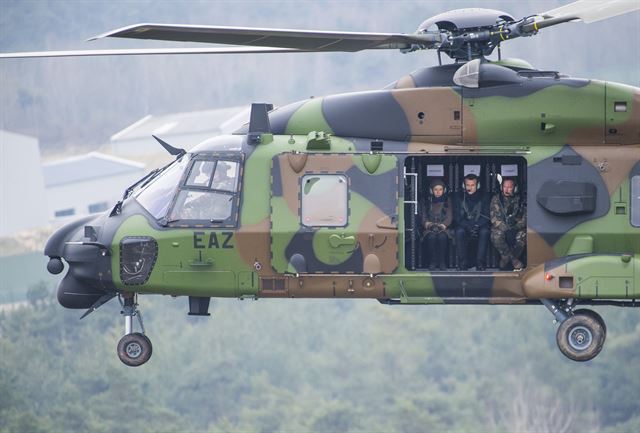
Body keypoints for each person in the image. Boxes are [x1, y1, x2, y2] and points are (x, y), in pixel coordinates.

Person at [454, 173, 490, 270]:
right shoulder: (459, 197)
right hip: (465, 225)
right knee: (459, 232)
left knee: (485, 232)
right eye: (468, 185)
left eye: (472, 185)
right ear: (464, 185)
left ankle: (480, 264)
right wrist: (467, 225)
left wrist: (477, 225)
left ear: (477, 185)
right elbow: (457, 217)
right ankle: (463, 264)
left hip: (480, 225)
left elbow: (487, 216)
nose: (470, 187)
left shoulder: (484, 197)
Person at [490, 177, 526, 270]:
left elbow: (525, 218)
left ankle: (505, 259)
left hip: (517, 227)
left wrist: (516, 227)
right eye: (504, 186)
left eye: (509, 187)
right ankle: (513, 259)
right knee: (496, 236)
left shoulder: (521, 200)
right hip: (502, 227)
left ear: (515, 188)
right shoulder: (496, 199)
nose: (506, 189)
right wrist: (505, 228)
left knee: (522, 236)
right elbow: (494, 218)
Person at [421, 178, 452, 270]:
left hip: (443, 228)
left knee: (442, 237)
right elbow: (423, 216)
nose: (438, 192)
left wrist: (444, 225)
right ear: (431, 191)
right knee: (431, 237)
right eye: (435, 189)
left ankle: (442, 262)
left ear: (444, 190)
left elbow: (449, 216)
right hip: (429, 228)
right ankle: (433, 262)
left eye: (440, 189)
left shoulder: (447, 200)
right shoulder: (426, 201)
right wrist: (428, 224)